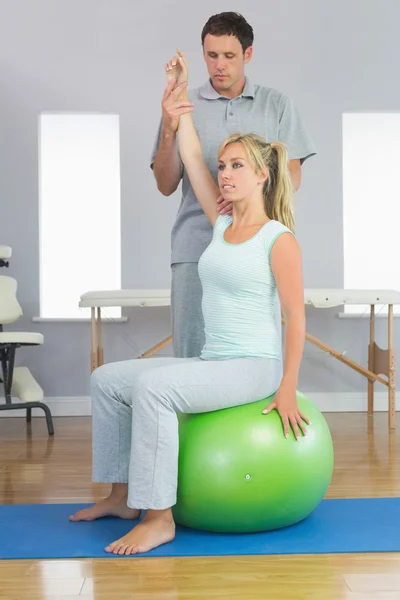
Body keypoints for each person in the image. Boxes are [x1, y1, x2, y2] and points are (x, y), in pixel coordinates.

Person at [68, 50, 308, 557]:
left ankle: (159, 517)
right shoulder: (221, 224)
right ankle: (122, 496)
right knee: (108, 379)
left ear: (263, 175)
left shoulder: (278, 239)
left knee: (155, 389)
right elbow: (193, 159)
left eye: (237, 166)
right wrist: (176, 98)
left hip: (255, 366)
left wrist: (287, 388)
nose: (225, 174)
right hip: (215, 360)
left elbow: (296, 318)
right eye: (225, 166)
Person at [151, 11, 316, 359]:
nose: (219, 65)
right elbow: (180, 171)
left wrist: (249, 206)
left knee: (251, 345)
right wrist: (171, 121)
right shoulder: (184, 105)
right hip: (195, 248)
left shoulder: (278, 105)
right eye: (211, 56)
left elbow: (291, 176)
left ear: (248, 54)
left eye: (229, 56)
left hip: (253, 248)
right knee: (191, 355)